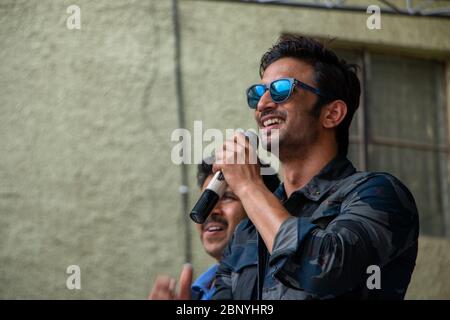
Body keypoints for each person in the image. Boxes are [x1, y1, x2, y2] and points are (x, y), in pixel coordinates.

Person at [211, 35, 419, 300]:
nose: (262, 105)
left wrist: (249, 186)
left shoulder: (379, 194)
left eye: (281, 89)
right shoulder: (247, 230)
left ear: (332, 114)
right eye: (259, 93)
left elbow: (325, 268)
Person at [148, 157, 280, 300]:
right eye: (206, 200)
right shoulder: (196, 292)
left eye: (228, 197)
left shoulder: (279, 283)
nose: (211, 211)